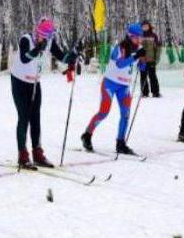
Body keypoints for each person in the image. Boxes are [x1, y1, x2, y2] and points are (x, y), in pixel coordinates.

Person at [11, 17, 78, 170]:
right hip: (19, 82)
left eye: (49, 37)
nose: (46, 40)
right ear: (38, 32)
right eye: (44, 36)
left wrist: (72, 57)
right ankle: (22, 155)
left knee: (36, 118)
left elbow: (61, 56)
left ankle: (37, 153)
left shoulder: (49, 42)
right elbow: (25, 58)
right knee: (24, 117)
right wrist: (37, 49)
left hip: (35, 82)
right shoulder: (26, 39)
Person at [81, 23, 146, 155]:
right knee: (104, 112)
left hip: (124, 86)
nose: (139, 40)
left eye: (140, 37)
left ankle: (120, 143)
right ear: (130, 36)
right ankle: (87, 134)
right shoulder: (121, 46)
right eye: (137, 37)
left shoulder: (139, 48)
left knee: (126, 114)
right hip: (110, 84)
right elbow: (120, 63)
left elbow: (141, 68)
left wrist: (143, 61)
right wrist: (136, 56)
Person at [139, 20, 161, 98]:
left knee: (152, 76)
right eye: (143, 26)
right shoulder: (139, 35)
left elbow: (157, 48)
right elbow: (137, 48)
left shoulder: (153, 35)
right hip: (142, 60)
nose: (145, 27)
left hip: (151, 59)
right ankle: (144, 92)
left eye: (146, 26)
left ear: (149, 26)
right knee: (143, 76)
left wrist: (156, 59)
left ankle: (155, 92)